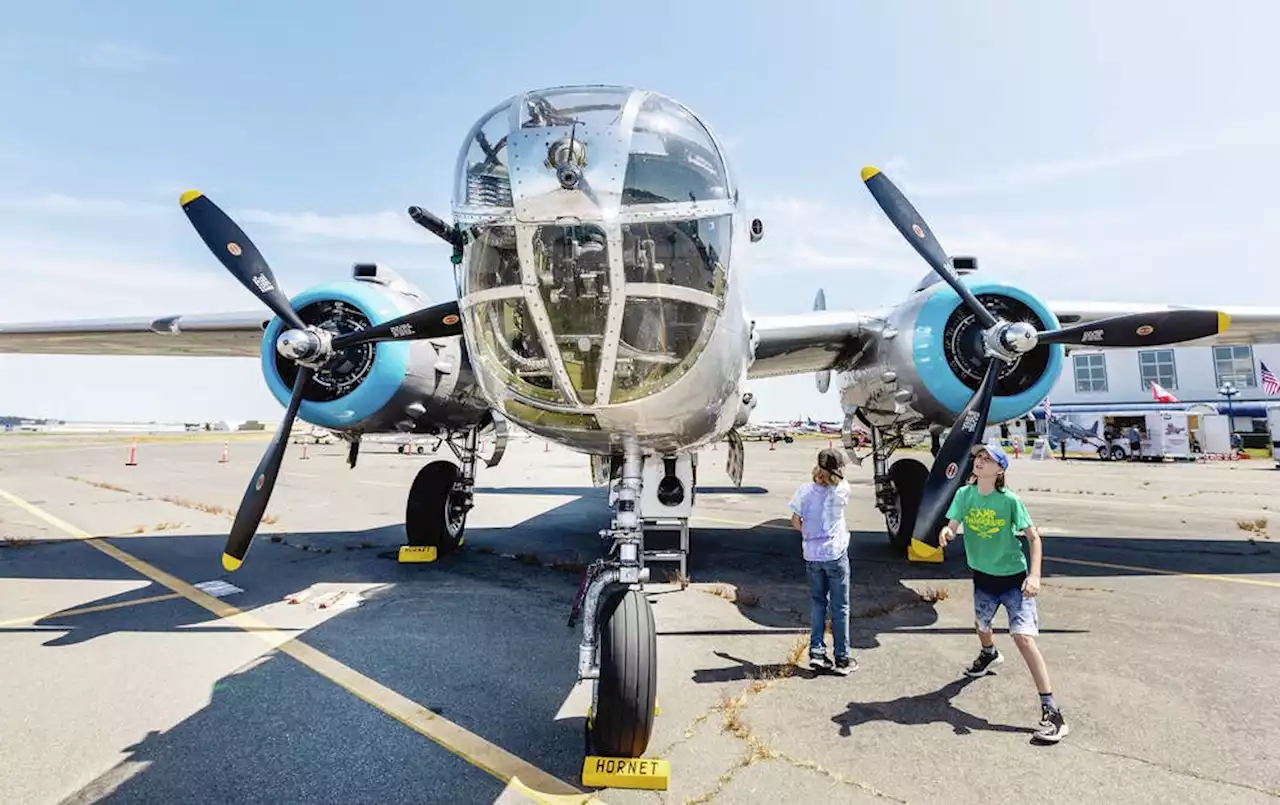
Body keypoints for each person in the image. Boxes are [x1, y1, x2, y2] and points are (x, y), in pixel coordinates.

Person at [938, 443, 1069, 742]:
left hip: (1013, 580)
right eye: (978, 457)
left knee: (1022, 638)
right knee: (982, 624)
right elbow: (952, 524)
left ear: (999, 470)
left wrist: (1035, 575)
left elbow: (1034, 539)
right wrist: (947, 532)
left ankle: (1053, 712)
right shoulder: (964, 495)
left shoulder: (1010, 501)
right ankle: (989, 654)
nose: (980, 461)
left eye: (987, 459)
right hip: (983, 577)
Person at [788, 447, 855, 675]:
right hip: (835, 554)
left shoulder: (804, 491)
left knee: (818, 603)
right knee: (841, 607)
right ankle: (842, 657)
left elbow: (795, 521)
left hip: (813, 556)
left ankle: (817, 652)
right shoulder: (842, 491)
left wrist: (807, 533)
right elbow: (840, 482)